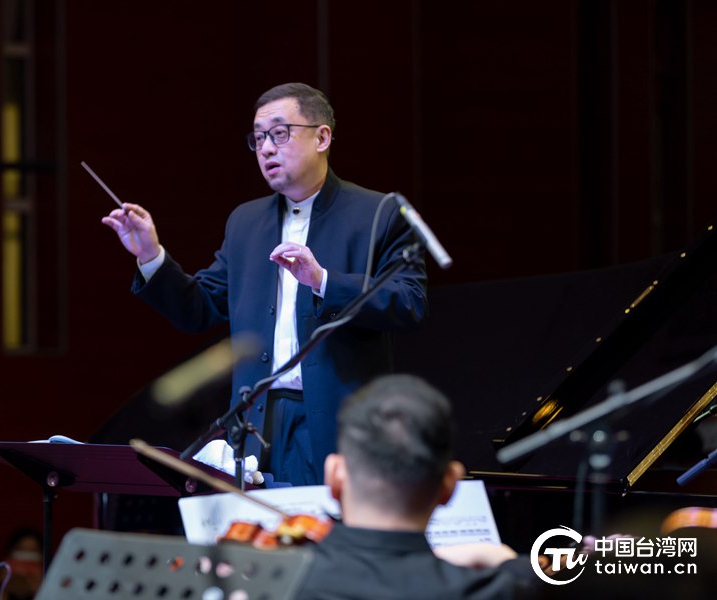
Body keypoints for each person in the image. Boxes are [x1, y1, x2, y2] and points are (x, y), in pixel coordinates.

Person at [102, 83, 427, 486]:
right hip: (257, 424)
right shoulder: (246, 222)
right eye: (258, 139)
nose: (267, 149)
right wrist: (151, 255)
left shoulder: (377, 212)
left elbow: (410, 302)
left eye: (279, 133)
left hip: (341, 424)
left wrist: (322, 280)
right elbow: (198, 308)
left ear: (322, 137)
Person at [295, 374, 538, 599]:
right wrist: (502, 559)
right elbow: (539, 583)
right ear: (450, 484)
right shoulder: (494, 591)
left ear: (334, 475)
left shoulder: (282, 580)